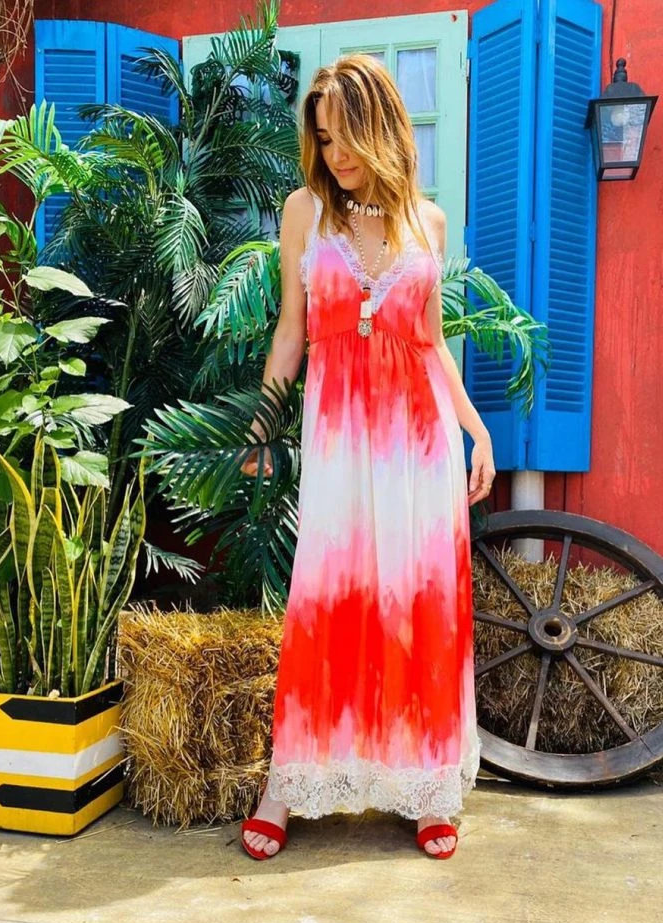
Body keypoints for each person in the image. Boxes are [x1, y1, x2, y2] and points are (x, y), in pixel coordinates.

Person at [239, 53, 495, 860]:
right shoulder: (303, 212)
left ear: (381, 127)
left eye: (346, 135)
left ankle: (426, 788)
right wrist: (261, 428)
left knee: (418, 604)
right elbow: (290, 331)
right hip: (340, 442)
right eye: (322, 138)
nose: (335, 154)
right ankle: (288, 786)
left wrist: (476, 429)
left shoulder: (428, 222)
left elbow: (430, 343)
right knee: (327, 598)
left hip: (419, 445)